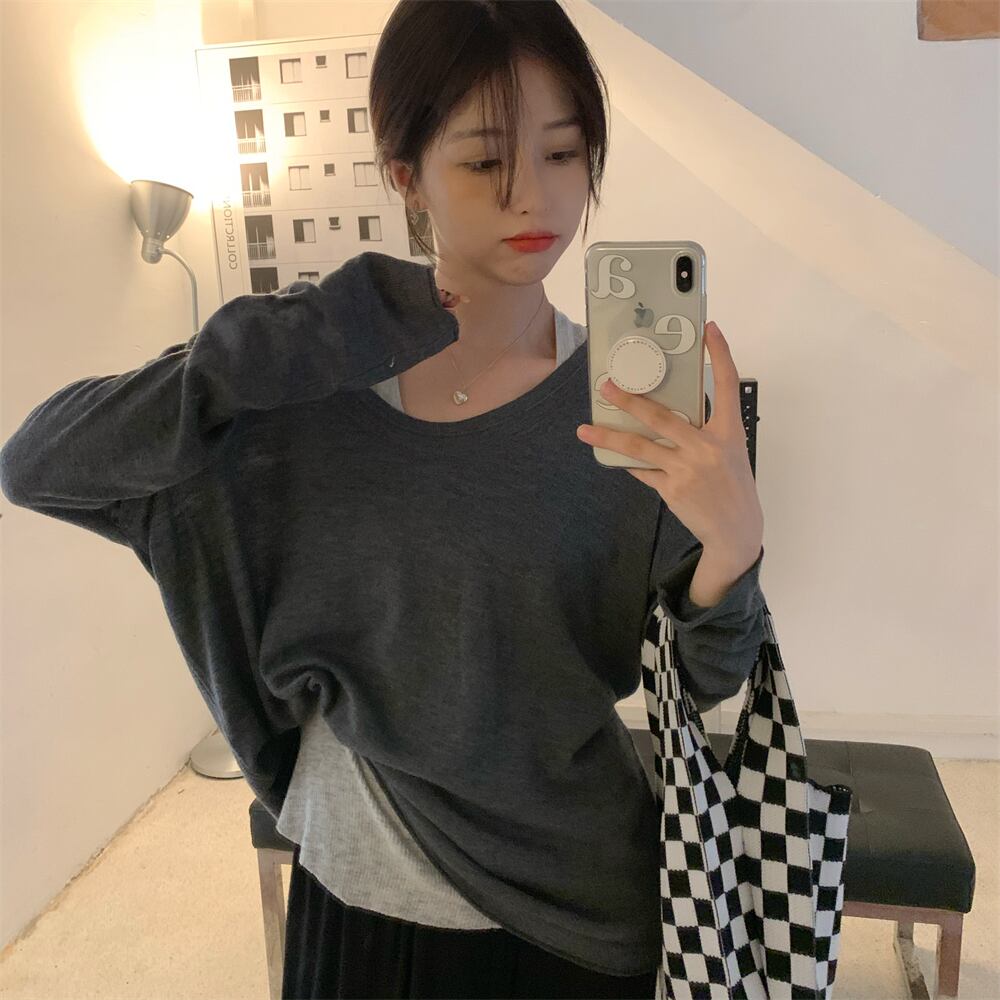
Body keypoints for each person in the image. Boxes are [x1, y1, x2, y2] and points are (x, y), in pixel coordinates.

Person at [0, 1, 767, 997]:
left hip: (570, 914)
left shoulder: (631, 410)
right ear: (406, 174)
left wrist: (733, 547)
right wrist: (287, 337)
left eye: (564, 152)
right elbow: (39, 464)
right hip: (352, 901)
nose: (533, 194)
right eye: (484, 160)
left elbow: (704, 680)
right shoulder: (300, 387)